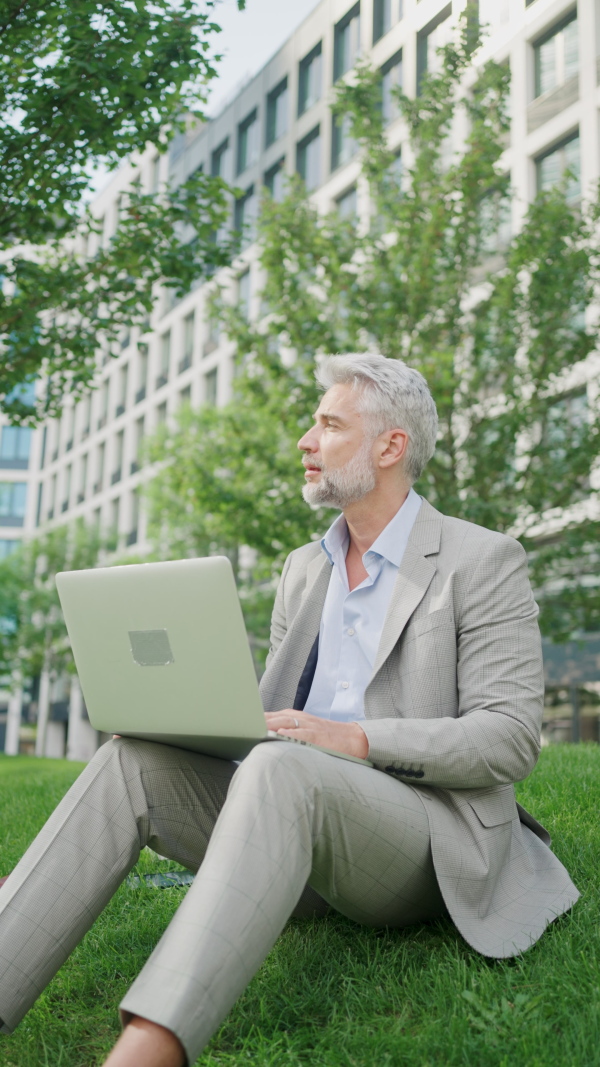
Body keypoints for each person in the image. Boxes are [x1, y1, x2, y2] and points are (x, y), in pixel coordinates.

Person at [0, 353, 579, 1067]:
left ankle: (145, 1052)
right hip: (292, 818)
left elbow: (510, 738)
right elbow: (268, 723)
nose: (305, 440)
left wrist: (356, 738)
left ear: (389, 447)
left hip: (424, 837)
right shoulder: (305, 568)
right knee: (132, 761)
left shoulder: (482, 560)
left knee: (285, 768)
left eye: (329, 423)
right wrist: (180, 726)